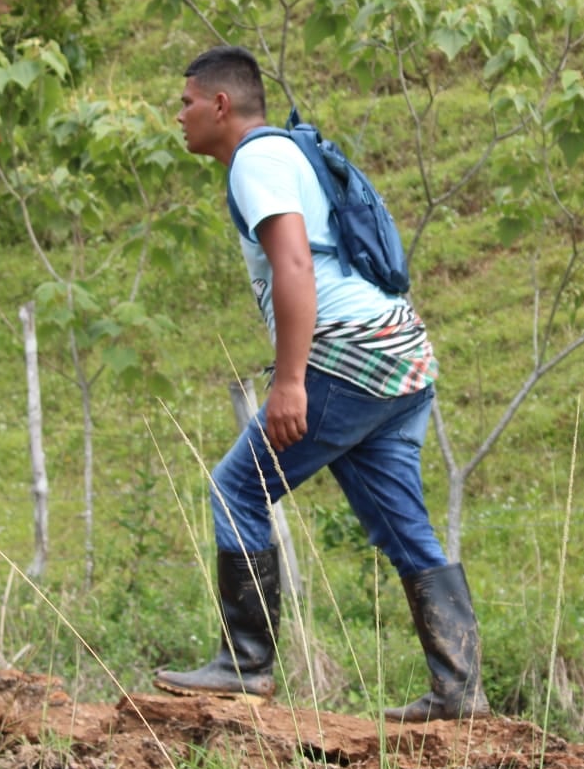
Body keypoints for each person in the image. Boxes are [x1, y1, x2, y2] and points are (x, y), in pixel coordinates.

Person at [153, 44, 491, 723]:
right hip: (400, 354)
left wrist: (289, 382)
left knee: (237, 488)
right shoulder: (287, 153)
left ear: (220, 104)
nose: (179, 116)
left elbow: (295, 266)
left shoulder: (256, 161)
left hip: (348, 357)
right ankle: (459, 690)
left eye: (186, 103)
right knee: (403, 524)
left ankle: (245, 666)